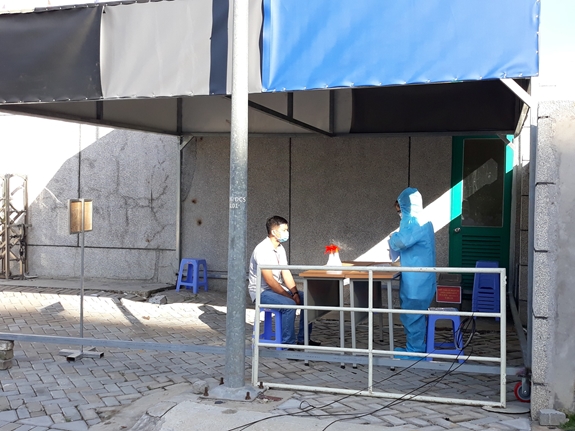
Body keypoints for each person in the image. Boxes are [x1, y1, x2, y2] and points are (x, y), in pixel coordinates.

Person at [248, 216, 320, 346]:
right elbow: (269, 281)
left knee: (308, 299)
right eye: (284, 230)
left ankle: (303, 339)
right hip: (262, 291)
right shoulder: (262, 249)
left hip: (276, 289)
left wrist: (295, 293)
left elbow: (286, 272)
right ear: (274, 232)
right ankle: (288, 345)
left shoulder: (280, 248)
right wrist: (290, 297)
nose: (287, 233)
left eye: (287, 229)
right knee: (289, 305)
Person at [389, 188, 436, 359]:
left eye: (400, 210)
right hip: (419, 277)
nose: (399, 214)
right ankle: (415, 347)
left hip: (417, 280)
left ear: (406, 207)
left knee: (413, 315)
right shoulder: (421, 221)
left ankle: (415, 351)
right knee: (414, 314)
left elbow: (401, 242)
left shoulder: (414, 222)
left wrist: (393, 237)